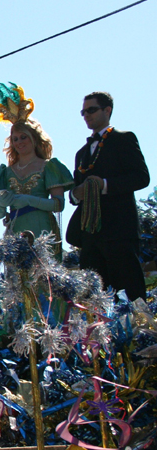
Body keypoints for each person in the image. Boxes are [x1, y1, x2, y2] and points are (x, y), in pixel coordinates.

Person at [67, 92, 150, 301]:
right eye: (83, 112)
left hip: (120, 231)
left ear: (107, 110)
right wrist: (77, 193)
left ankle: (139, 333)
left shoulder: (123, 139)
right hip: (90, 236)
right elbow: (75, 194)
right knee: (93, 298)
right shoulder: (81, 153)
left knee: (130, 293)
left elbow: (141, 177)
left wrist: (102, 185)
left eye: (91, 110)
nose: (86, 115)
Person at [0, 84, 74, 258]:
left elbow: (58, 204)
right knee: (19, 281)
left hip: (43, 229)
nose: (19, 142)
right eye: (15, 138)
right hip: (15, 232)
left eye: (23, 137)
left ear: (34, 138)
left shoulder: (49, 166)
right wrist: (1, 203)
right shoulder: (6, 172)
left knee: (43, 280)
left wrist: (28, 200)